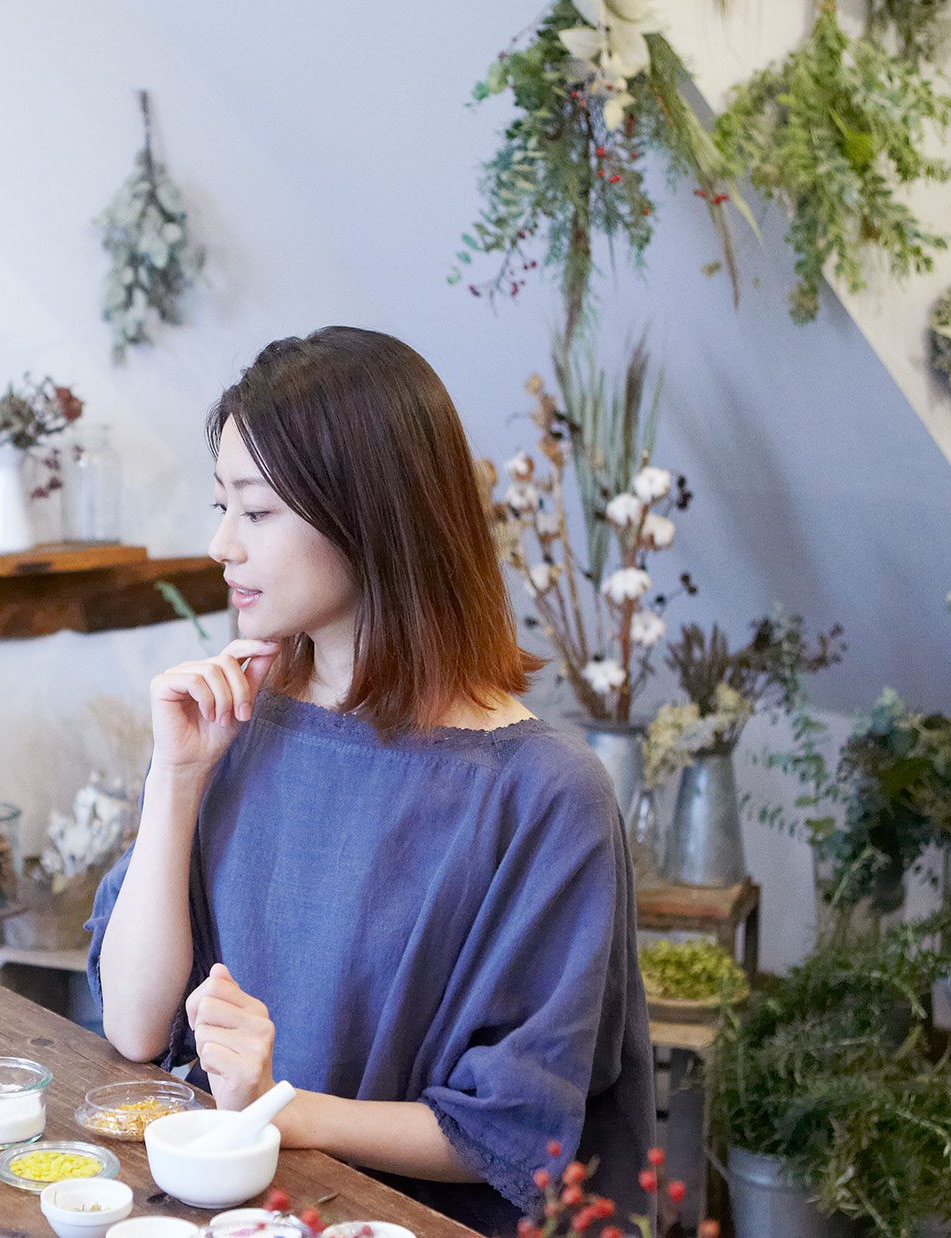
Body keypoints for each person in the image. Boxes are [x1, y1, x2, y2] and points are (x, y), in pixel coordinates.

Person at [88, 327, 653, 1232]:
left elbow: (513, 1135)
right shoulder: (239, 726)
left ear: (372, 516)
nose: (219, 543)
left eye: (257, 511)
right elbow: (134, 1028)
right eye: (221, 505)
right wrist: (177, 779)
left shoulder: (544, 795)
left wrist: (283, 1104)